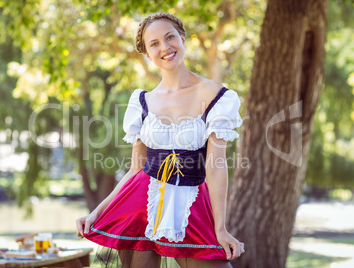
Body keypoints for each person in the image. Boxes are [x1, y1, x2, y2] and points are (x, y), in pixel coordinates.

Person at [76, 12, 245, 268]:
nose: (165, 47)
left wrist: (220, 228)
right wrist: (96, 212)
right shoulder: (142, 101)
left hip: (193, 205)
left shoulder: (216, 95)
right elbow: (135, 170)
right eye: (154, 43)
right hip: (142, 205)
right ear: (147, 54)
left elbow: (216, 166)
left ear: (183, 39)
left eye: (170, 37)